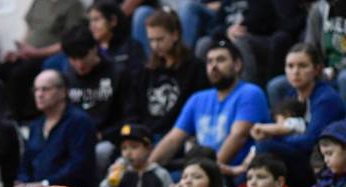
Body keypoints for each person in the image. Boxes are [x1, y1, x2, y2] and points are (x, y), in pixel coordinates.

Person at [149, 40, 269, 171]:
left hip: (234, 172)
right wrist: (146, 169)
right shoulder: (198, 98)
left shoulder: (250, 93)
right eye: (210, 61)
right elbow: (173, 139)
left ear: (237, 65)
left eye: (221, 60)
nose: (213, 66)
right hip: (199, 173)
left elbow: (238, 137)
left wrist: (208, 173)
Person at [253, 43, 346, 187]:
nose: (295, 72)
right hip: (297, 156)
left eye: (302, 66)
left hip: (320, 164)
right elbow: (277, 127)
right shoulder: (290, 95)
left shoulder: (327, 99)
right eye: (290, 66)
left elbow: (311, 141)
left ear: (316, 69)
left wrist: (275, 136)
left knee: (266, 147)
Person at [61, 24, 135, 174]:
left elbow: (131, 117)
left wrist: (104, 134)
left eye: (83, 57)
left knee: (100, 153)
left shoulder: (118, 73)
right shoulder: (67, 76)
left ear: (95, 48)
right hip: (75, 138)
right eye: (73, 59)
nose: (79, 64)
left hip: (106, 139)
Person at [13, 69, 97, 187]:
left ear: (63, 92)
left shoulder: (80, 122)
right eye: (36, 90)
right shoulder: (36, 125)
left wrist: (44, 184)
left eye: (45, 89)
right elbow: (26, 162)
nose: (39, 94)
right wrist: (22, 183)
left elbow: (79, 166)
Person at [136, 8, 209, 142]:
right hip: (147, 135)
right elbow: (138, 109)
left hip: (176, 135)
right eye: (151, 40)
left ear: (175, 35)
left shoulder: (195, 68)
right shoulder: (147, 69)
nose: (155, 45)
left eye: (160, 39)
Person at [89, 1, 146, 71]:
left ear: (113, 20)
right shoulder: (90, 52)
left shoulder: (132, 48)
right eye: (91, 21)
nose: (92, 26)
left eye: (96, 19)